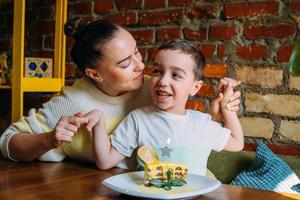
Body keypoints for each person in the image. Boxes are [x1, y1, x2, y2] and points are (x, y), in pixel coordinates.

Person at [0, 18, 241, 165]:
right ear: (95, 74)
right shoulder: (72, 101)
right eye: (125, 63)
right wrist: (48, 138)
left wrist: (219, 114)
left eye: (136, 51)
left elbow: (181, 129)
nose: (140, 66)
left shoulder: (154, 87)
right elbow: (7, 142)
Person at [82, 39, 244, 175]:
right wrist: (98, 121)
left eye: (176, 75)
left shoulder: (203, 123)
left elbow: (237, 144)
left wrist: (226, 104)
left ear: (195, 87)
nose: (163, 81)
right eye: (157, 71)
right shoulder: (138, 119)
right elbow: (104, 161)